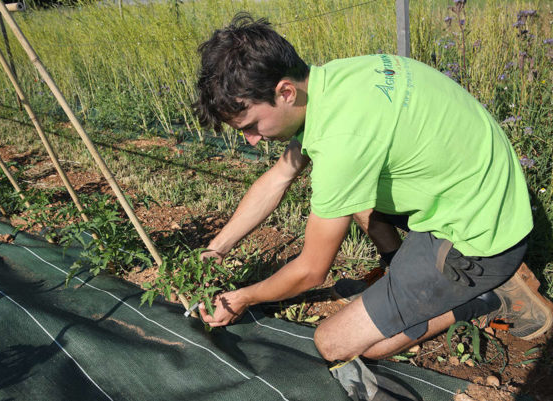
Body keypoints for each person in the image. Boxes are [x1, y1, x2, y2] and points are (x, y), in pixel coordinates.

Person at [192, 13, 552, 364]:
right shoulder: (334, 80)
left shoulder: (343, 140)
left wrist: (242, 298)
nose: (252, 140)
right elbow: (279, 177)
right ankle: (401, 273)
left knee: (337, 344)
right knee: (356, 200)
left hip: (479, 238)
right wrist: (216, 249)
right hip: (482, 192)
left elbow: (311, 271)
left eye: (251, 126)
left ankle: (489, 297)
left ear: (285, 91)